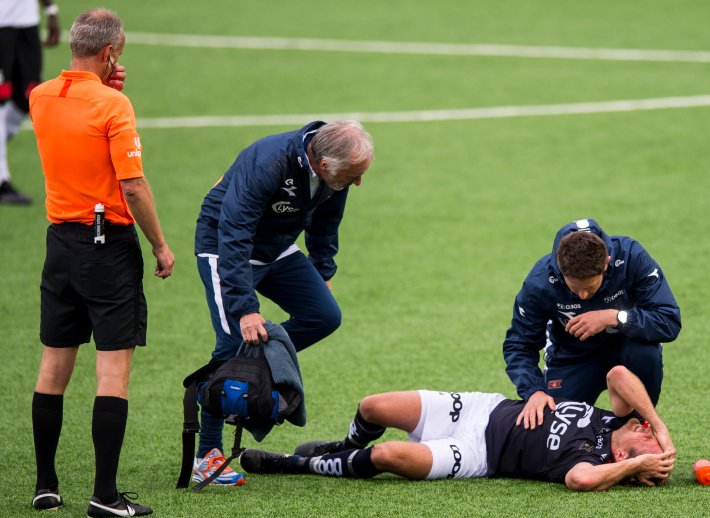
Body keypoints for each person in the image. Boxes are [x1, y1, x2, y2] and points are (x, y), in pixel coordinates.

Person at [28, 8, 174, 518]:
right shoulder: (115, 105)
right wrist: (159, 244)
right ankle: (105, 496)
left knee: (53, 366)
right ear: (111, 52)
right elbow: (132, 185)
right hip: (106, 245)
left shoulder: (40, 96)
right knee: (112, 372)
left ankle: (46, 486)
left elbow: (75, 110)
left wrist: (104, 82)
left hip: (59, 245)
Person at [192, 119, 374, 485]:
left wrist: (323, 271)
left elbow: (326, 222)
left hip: (276, 247)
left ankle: (250, 371)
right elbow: (235, 230)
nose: (358, 182)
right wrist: (245, 307)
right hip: (225, 247)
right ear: (323, 165)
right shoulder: (268, 162)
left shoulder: (334, 169)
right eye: (354, 175)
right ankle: (206, 455)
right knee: (230, 344)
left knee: (323, 314)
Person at [238, 365, 676, 491]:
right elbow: (618, 374)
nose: (647, 429)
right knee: (372, 406)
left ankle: (296, 465)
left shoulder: (597, 461)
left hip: (478, 455)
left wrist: (639, 464)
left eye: (647, 439)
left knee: (387, 456)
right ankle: (339, 446)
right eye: (650, 431)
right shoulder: (620, 418)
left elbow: (580, 479)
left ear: (623, 457)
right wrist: (658, 427)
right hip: (477, 408)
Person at [503, 218, 680, 430]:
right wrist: (534, 391)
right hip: (573, 356)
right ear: (560, 268)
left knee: (645, 354)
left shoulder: (631, 257)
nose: (584, 296)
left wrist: (615, 317)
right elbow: (519, 344)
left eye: (590, 287)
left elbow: (668, 320)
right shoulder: (539, 282)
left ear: (606, 263)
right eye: (575, 290)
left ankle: (637, 425)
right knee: (555, 430)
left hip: (628, 347)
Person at [0, 0, 59, 204]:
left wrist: (50, 9)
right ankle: (2, 181)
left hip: (27, 23)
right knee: (0, 99)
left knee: (29, 98)